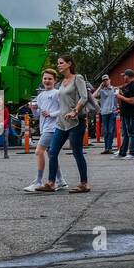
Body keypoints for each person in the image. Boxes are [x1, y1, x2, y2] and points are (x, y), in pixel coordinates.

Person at [40, 55, 89, 193]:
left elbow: (84, 97)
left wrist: (75, 111)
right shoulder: (61, 82)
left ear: (69, 64)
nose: (59, 65)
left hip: (75, 122)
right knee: (52, 151)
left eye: (61, 63)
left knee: (77, 152)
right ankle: (51, 183)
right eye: (58, 63)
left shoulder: (77, 78)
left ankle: (84, 183)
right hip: (61, 123)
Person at [25, 70, 67, 191]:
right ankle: (61, 181)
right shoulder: (40, 96)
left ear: (55, 80)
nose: (47, 81)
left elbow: (64, 109)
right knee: (51, 155)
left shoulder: (57, 93)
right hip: (44, 128)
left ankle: (38, 181)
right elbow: (38, 115)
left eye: (49, 79)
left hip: (53, 128)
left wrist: (51, 114)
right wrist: (33, 109)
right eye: (45, 79)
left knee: (39, 152)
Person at [114, 68, 134, 159]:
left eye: (124, 76)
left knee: (131, 133)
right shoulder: (128, 86)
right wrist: (120, 91)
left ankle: (133, 153)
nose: (123, 77)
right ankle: (122, 152)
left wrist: (120, 96)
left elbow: (132, 101)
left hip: (131, 113)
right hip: (125, 113)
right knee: (125, 133)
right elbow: (126, 95)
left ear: (128, 76)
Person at [95, 74, 118, 154]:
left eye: (107, 80)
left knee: (111, 130)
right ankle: (106, 148)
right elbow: (93, 96)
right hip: (104, 112)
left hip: (112, 112)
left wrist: (117, 108)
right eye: (104, 80)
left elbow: (119, 96)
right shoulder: (101, 91)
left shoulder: (114, 89)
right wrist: (100, 87)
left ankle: (110, 148)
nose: (106, 81)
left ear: (109, 80)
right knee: (105, 131)